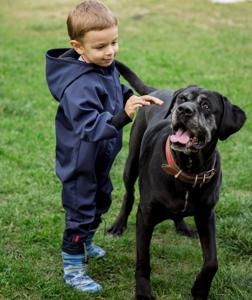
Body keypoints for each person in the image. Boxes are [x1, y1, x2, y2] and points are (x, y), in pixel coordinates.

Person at [45, 0, 163, 294]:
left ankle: (86, 243)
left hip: (99, 158)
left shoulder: (103, 66)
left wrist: (130, 98)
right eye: (101, 46)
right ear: (78, 46)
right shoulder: (77, 86)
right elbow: (89, 127)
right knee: (81, 210)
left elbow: (114, 91)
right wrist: (125, 115)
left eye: (114, 42)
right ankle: (73, 268)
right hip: (79, 162)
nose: (110, 51)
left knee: (101, 200)